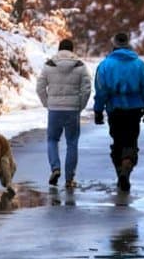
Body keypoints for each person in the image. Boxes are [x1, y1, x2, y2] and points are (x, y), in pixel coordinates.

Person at [93, 32, 144, 192]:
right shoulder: (139, 64)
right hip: (134, 109)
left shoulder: (105, 65)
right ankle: (127, 167)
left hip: (115, 109)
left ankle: (120, 172)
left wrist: (98, 110)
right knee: (131, 141)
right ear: (128, 44)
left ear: (114, 45)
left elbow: (101, 90)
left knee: (117, 142)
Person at [37, 38, 92, 189]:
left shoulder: (49, 65)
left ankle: (55, 168)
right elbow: (87, 89)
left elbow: (40, 87)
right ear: (72, 50)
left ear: (59, 49)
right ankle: (69, 179)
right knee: (72, 143)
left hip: (54, 109)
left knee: (52, 140)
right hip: (72, 110)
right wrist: (80, 106)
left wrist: (47, 103)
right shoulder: (80, 66)